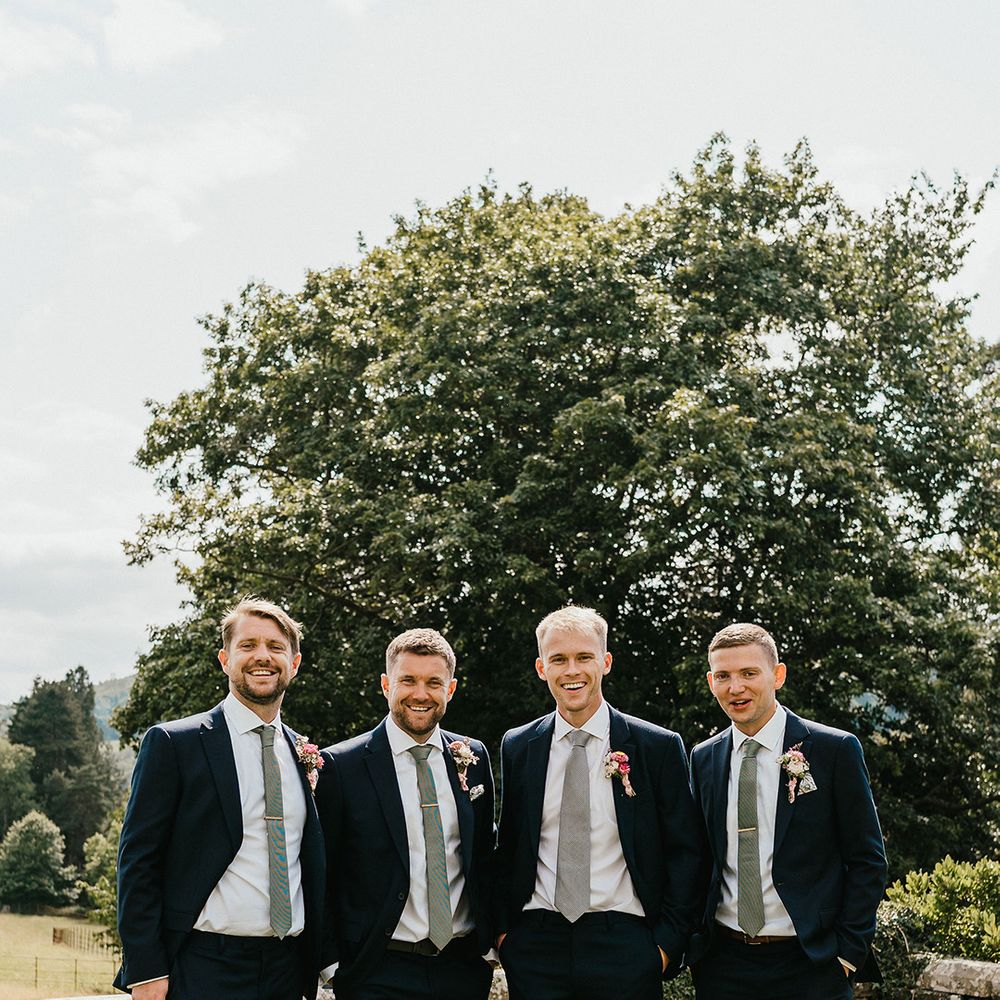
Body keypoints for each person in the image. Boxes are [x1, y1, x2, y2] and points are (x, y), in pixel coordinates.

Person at [115, 597, 326, 1000]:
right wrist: (145, 969)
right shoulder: (174, 744)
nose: (262, 656)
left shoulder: (306, 754)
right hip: (203, 966)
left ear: (294, 663)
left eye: (275, 646)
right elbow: (138, 862)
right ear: (225, 659)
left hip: (288, 969)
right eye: (247, 646)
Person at [494, 606, 705, 1000]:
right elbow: (508, 846)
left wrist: (663, 947)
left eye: (584, 657)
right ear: (542, 668)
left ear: (605, 662)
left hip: (626, 942)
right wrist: (507, 936)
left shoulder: (656, 746)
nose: (571, 670)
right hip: (536, 944)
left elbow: (686, 852)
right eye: (559, 659)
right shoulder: (519, 746)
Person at [688, 623, 887, 1000]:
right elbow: (697, 858)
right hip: (723, 965)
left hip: (811, 964)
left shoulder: (833, 750)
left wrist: (847, 953)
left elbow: (868, 859)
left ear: (777, 675)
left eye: (749, 673)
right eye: (724, 676)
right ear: (711, 681)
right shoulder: (703, 757)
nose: (736, 687)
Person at [316, 628, 495, 1000]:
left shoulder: (472, 758)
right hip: (376, 971)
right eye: (408, 680)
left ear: (451, 689)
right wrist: (332, 965)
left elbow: (485, 857)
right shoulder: (342, 765)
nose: (420, 694)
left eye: (434, 682)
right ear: (386, 684)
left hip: (461, 969)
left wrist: (490, 945)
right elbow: (321, 871)